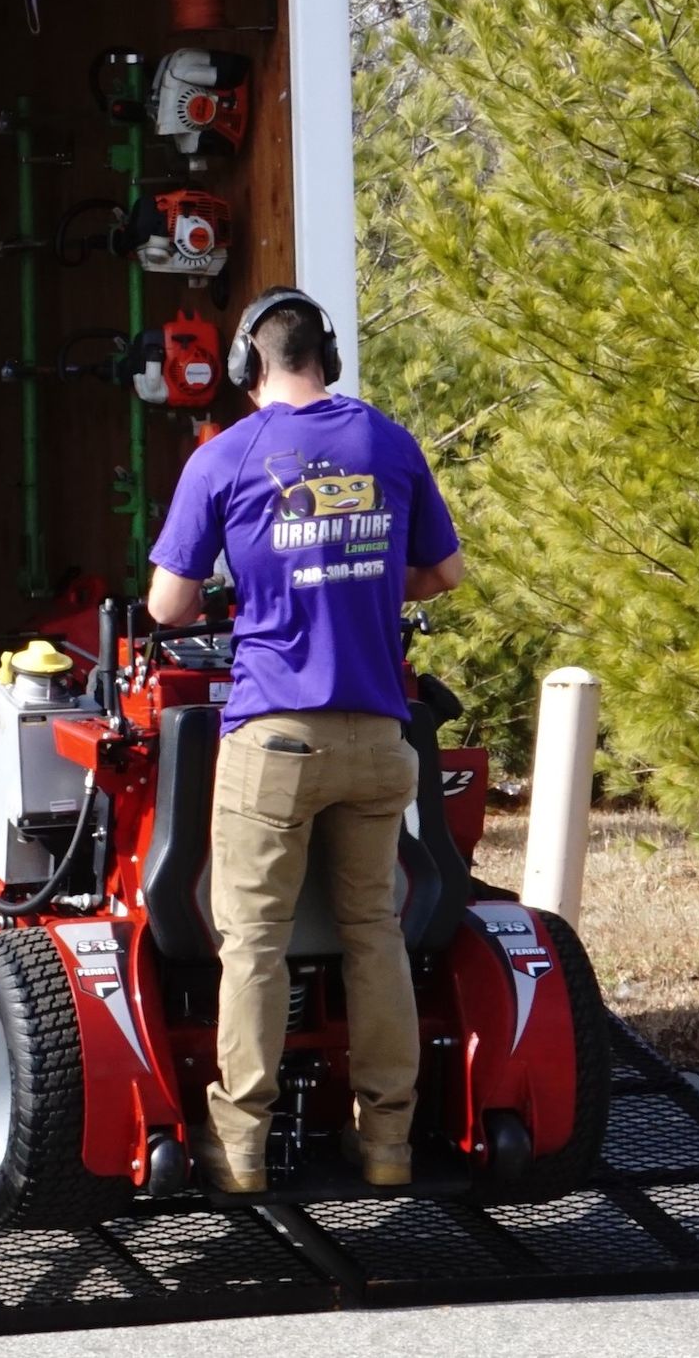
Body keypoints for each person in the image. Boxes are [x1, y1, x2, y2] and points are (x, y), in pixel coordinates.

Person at [145, 287, 464, 1194]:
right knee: (374, 931)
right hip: (378, 737)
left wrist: (253, 583)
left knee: (252, 942)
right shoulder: (387, 442)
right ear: (325, 353)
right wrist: (356, 578)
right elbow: (445, 570)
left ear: (251, 364)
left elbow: (169, 604)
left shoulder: (227, 456)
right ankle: (389, 1142)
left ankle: (241, 1146)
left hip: (275, 741)